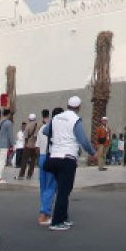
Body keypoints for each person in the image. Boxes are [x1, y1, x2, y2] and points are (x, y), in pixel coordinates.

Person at [47, 96, 96, 231]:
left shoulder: (56, 118)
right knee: (64, 190)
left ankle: (63, 217)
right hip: (67, 158)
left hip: (54, 157)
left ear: (67, 105)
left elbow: (46, 131)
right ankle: (56, 222)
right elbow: (83, 140)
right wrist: (93, 153)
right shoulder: (75, 120)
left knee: (63, 189)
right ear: (79, 107)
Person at [35, 107, 59, 226]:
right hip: (51, 157)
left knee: (44, 187)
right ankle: (44, 214)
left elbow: (37, 146)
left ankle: (45, 211)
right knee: (51, 186)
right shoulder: (55, 128)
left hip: (42, 157)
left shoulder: (42, 128)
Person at [0, 110, 14, 183]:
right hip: (4, 144)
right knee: (2, 161)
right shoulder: (8, 123)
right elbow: (10, 135)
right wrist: (12, 144)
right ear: (8, 114)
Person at [18, 113, 39, 179]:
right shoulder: (38, 125)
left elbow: (26, 137)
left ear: (29, 119)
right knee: (32, 162)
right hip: (35, 145)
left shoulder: (28, 126)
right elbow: (37, 136)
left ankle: (21, 175)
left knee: (24, 161)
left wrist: (26, 144)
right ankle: (29, 175)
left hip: (28, 146)